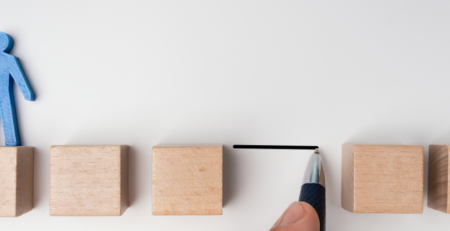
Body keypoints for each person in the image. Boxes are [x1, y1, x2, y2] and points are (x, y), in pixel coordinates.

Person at [0, 32, 35, 146]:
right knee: (7, 113)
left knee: (7, 114)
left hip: (4, 94)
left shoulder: (8, 59)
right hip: (4, 95)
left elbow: (18, 76)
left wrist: (27, 93)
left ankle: (11, 142)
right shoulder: (8, 59)